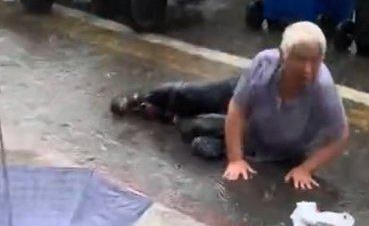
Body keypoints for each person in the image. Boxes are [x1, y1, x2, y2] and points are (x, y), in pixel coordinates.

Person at [110, 21, 349, 190]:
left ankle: (162, 116)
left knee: (198, 134)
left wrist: (306, 168)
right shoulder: (265, 64)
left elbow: (340, 136)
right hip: (250, 98)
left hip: (260, 135)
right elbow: (237, 109)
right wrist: (236, 158)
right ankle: (146, 97)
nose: (308, 69)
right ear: (284, 57)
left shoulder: (323, 88)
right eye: (300, 60)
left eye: (315, 61)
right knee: (193, 95)